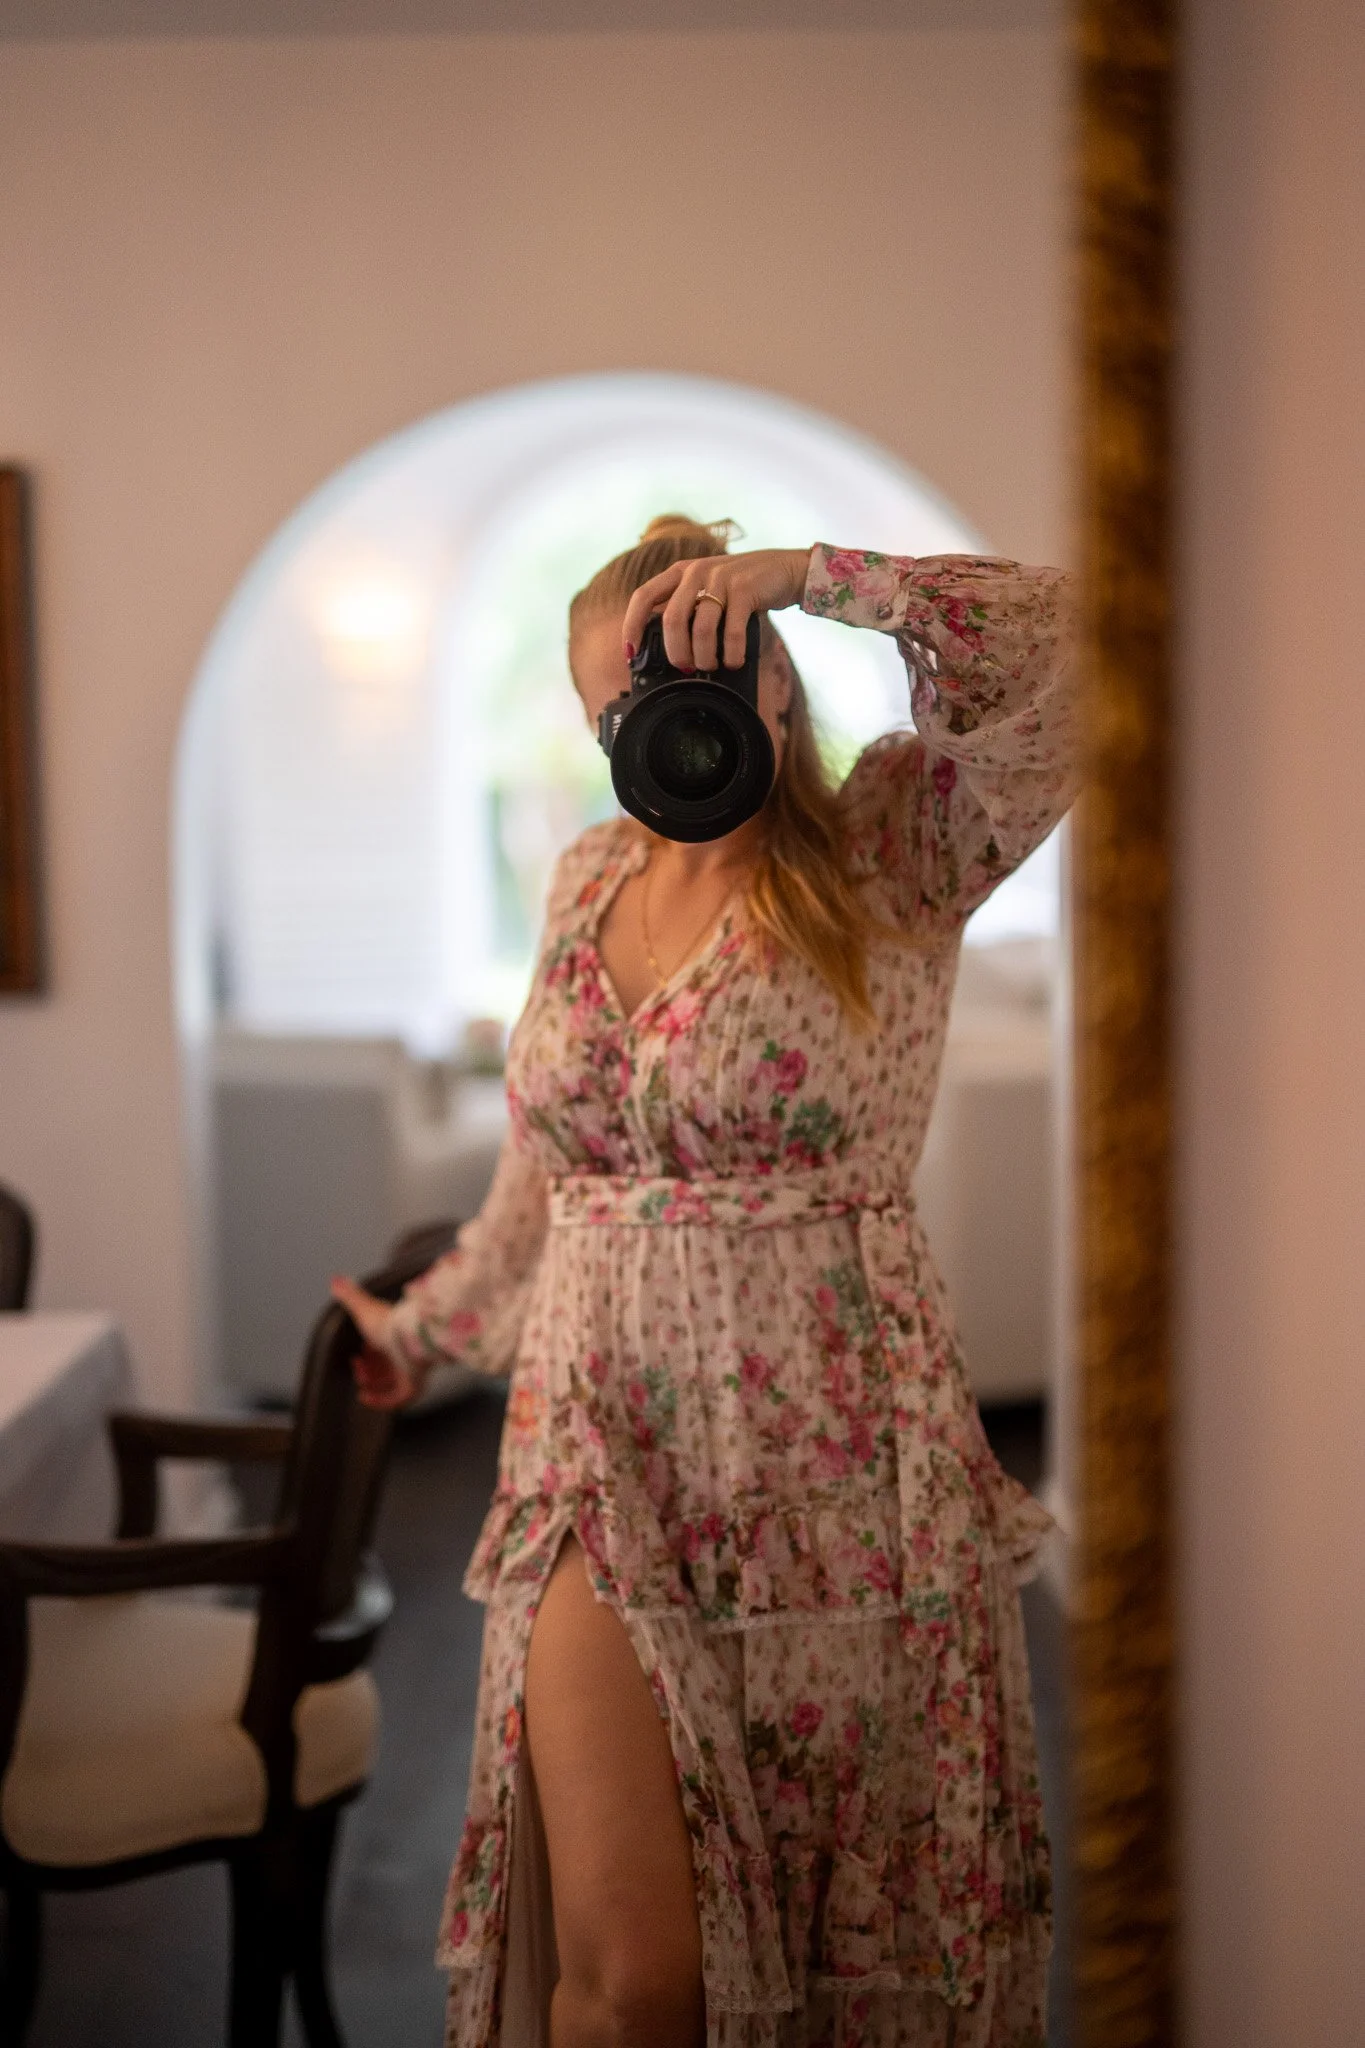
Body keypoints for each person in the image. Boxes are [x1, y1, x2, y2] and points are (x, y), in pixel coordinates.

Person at [332, 515, 1077, 2048]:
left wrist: (808, 576)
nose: (651, 722)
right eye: (613, 704)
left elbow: (1079, 653)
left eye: (686, 672)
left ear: (770, 680)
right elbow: (545, 1182)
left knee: (838, 1954)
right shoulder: (584, 874)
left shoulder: (897, 845)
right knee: (633, 1979)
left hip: (843, 1486)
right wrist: (424, 1328)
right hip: (595, 1454)